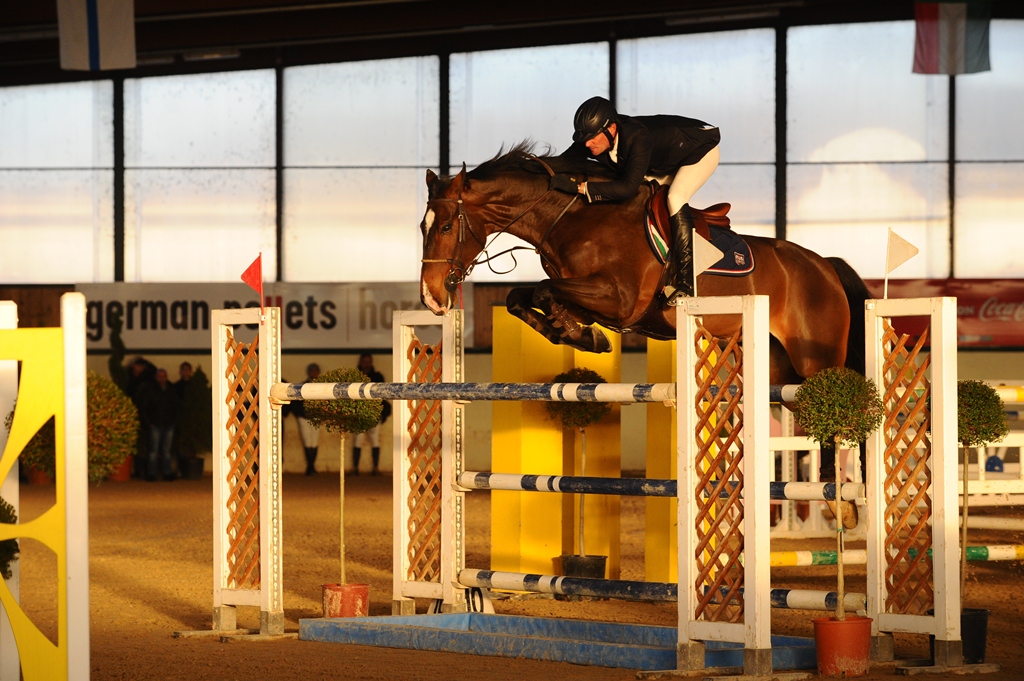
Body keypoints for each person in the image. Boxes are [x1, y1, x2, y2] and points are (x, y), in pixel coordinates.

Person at [552, 96, 721, 300]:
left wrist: (579, 187)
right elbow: (562, 162)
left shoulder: (637, 137)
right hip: (662, 160)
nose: (586, 144)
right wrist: (526, 166)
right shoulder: (594, 139)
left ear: (612, 129)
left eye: (591, 138)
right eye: (584, 139)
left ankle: (686, 283)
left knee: (675, 197)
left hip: (699, 151)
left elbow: (627, 188)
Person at [138, 368, 180, 481]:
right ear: (156, 377)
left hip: (168, 424)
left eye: (164, 376)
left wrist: (174, 421)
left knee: (166, 450)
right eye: (160, 376)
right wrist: (149, 423)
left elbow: (176, 406)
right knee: (153, 451)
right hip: (155, 424)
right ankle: (152, 474)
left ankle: (167, 473)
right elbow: (144, 407)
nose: (162, 378)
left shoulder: (171, 389)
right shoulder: (150, 389)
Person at [353, 353, 391, 476]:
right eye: (365, 361)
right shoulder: (355, 376)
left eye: (368, 361)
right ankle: (355, 468)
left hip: (374, 414)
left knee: (375, 441)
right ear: (360, 362)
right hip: (359, 415)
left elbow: (381, 396)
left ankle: (375, 468)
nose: (367, 364)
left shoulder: (377, 376)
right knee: (358, 441)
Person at [291, 363, 323, 476]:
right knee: (307, 441)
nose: (314, 373)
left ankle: (311, 466)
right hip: (304, 417)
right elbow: (296, 403)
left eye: (315, 371)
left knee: (314, 442)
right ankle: (310, 466)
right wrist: (299, 415)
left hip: (316, 417)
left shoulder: (323, 387)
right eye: (312, 371)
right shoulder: (303, 385)